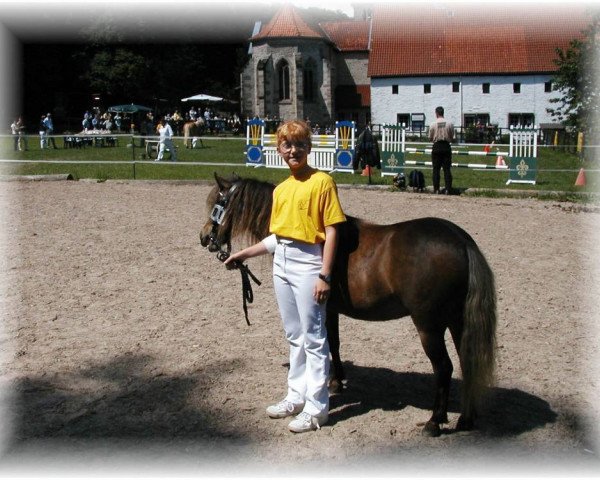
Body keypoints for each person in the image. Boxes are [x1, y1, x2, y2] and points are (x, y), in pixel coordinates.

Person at [224, 119, 346, 433]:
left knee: (315, 339)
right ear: (279, 149)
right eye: (287, 145)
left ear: (309, 147)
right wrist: (244, 253)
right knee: (294, 336)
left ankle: (318, 409)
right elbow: (277, 237)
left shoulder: (322, 183)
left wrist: (325, 275)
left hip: (309, 263)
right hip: (282, 263)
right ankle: (296, 396)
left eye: (300, 144)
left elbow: (332, 231)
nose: (294, 150)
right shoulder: (281, 190)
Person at [428, 106, 455, 194]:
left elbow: (430, 137)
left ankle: (436, 189)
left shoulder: (433, 124)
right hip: (446, 146)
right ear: (443, 113)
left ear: (436, 113)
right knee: (447, 169)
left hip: (436, 146)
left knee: (436, 169)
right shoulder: (449, 124)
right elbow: (452, 137)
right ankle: (448, 189)